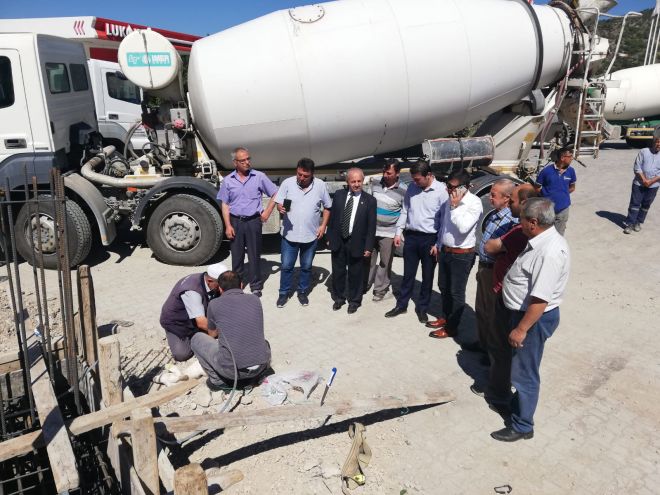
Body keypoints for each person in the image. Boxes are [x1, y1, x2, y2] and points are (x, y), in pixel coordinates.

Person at [491, 197, 570, 442]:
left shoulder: (550, 252)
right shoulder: (539, 240)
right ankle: (516, 408)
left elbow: (540, 300)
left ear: (533, 222)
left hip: (532, 319)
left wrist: (521, 329)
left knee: (524, 373)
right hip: (521, 314)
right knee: (520, 367)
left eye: (522, 219)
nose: (519, 223)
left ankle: (523, 425)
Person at [482, 184, 537, 412]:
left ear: (524, 204)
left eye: (512, 200)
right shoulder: (523, 231)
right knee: (501, 344)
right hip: (506, 293)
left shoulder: (519, 233)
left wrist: (522, 328)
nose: (509, 204)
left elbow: (491, 246)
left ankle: (501, 395)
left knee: (504, 347)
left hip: (511, 299)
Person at [385, 160, 448, 323]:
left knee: (427, 277)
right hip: (411, 237)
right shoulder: (412, 188)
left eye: (418, 179)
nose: (415, 182)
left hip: (430, 239)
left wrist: (438, 244)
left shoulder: (441, 191)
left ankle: (422, 308)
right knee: (408, 274)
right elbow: (405, 210)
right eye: (413, 179)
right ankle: (402, 305)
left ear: (429, 175)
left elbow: (444, 221)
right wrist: (398, 232)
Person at [191, 270, 271, 390]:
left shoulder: (214, 304)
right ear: (241, 285)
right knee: (264, 342)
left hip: (232, 372)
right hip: (261, 367)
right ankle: (257, 376)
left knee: (196, 338)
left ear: (220, 289)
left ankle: (218, 381)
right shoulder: (255, 299)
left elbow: (212, 334)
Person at [426, 170, 483, 338]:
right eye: (447, 186)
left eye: (452, 187)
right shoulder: (449, 200)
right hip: (445, 251)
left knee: (456, 292)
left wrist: (455, 207)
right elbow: (444, 226)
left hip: (462, 255)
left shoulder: (474, 203)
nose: (448, 190)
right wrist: (438, 244)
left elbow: (463, 228)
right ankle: (445, 317)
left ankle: (452, 328)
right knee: (443, 286)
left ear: (465, 187)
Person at [470, 178, 516, 383]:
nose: (490, 197)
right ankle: (482, 344)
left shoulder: (510, 222)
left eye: (494, 194)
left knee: (492, 314)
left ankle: (492, 353)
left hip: (494, 271)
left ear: (506, 198)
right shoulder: (495, 215)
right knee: (481, 308)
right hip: (484, 267)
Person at [217, 147, 278, 297]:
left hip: (253, 222)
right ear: (235, 163)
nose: (247, 162)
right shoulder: (228, 181)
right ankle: (236, 286)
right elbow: (225, 204)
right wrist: (228, 225)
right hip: (235, 222)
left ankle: (256, 286)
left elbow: (276, 193)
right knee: (237, 256)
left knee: (254, 255)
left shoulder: (259, 177)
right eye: (242, 160)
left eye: (248, 159)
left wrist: (267, 212)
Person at [274, 158, 332, 308]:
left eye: (305, 176)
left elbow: (327, 207)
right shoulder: (287, 183)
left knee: (306, 267)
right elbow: (279, 202)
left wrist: (323, 226)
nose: (301, 178)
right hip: (289, 235)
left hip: (310, 236)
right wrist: (280, 208)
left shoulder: (320, 185)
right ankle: (283, 293)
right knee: (286, 266)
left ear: (312, 174)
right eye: (299, 174)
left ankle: (302, 292)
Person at [327, 168, 377, 314]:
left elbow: (371, 226)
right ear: (347, 182)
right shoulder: (339, 195)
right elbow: (333, 218)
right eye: (353, 181)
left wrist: (368, 247)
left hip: (357, 242)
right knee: (338, 271)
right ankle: (339, 298)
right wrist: (329, 238)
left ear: (363, 181)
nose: (356, 184)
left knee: (356, 273)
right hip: (339, 240)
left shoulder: (370, 201)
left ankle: (354, 301)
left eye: (359, 181)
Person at [160, 263, 229, 362]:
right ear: (210, 281)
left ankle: (198, 334)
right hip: (177, 323)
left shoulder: (207, 279)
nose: (222, 287)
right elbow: (201, 322)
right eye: (220, 285)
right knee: (182, 354)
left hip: (196, 316)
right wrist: (222, 331)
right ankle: (180, 336)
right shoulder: (193, 291)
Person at [366, 159, 407, 302]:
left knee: (385, 262)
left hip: (389, 233)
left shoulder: (404, 190)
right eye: (384, 172)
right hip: (372, 230)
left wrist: (398, 233)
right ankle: (366, 283)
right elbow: (368, 203)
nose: (385, 175)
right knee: (368, 259)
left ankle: (380, 289)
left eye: (389, 173)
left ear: (397, 173)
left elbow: (404, 212)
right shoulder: (376, 183)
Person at [534, 146, 576, 235]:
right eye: (570, 156)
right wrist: (546, 197)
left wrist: (563, 194)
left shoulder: (571, 171)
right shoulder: (546, 171)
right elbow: (537, 187)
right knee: (545, 233)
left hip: (563, 209)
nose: (572, 158)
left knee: (559, 234)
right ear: (562, 158)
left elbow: (572, 187)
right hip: (547, 209)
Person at [623, 136, 660, 234]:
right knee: (635, 203)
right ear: (654, 142)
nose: (659, 145)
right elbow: (637, 167)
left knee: (646, 205)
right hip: (639, 183)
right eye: (657, 142)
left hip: (654, 185)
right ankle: (630, 224)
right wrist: (644, 180)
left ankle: (638, 222)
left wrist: (651, 181)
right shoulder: (644, 151)